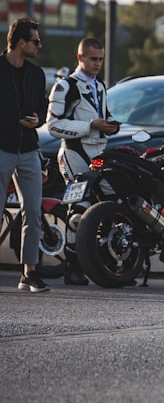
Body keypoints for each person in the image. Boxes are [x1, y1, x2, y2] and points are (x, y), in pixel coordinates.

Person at [46, 37, 119, 285]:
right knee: (78, 209)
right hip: (74, 154)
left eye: (101, 59)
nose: (98, 63)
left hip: (98, 157)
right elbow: (53, 125)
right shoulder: (65, 87)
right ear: (80, 57)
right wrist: (90, 125)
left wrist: (110, 125)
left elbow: (103, 116)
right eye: (93, 59)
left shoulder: (100, 87)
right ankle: (72, 267)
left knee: (108, 204)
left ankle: (106, 264)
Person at [1, 18, 49, 292]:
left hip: (29, 149)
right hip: (2, 148)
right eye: (35, 41)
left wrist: (37, 120)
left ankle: (29, 273)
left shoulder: (36, 74)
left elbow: (41, 109)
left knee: (33, 212)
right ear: (21, 43)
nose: (39, 46)